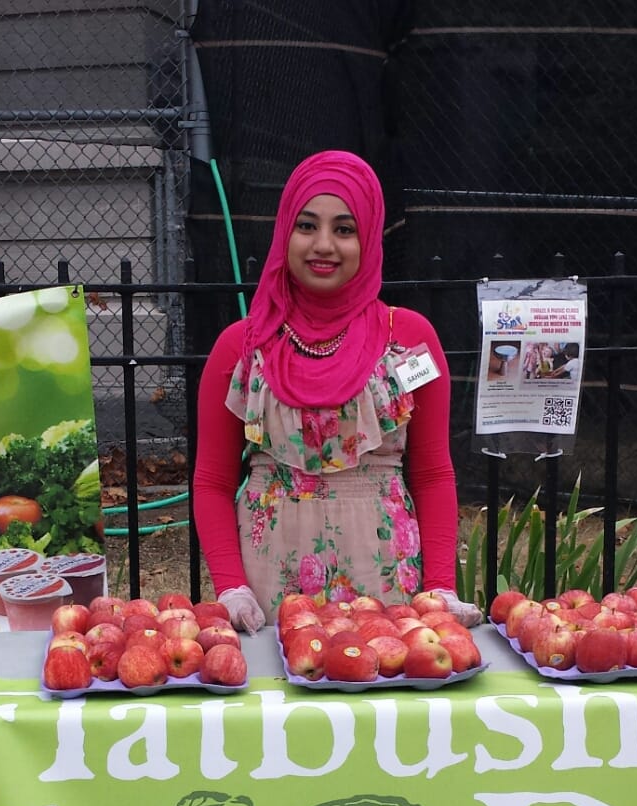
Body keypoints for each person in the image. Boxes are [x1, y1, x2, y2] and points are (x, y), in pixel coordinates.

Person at [192, 150, 481, 632]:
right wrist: (230, 587)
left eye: (344, 230)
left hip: (387, 580)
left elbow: (432, 473)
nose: (323, 244)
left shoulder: (409, 341)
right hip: (268, 590)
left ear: (368, 237)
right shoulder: (241, 349)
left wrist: (442, 587)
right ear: (285, 232)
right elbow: (211, 482)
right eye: (306, 226)